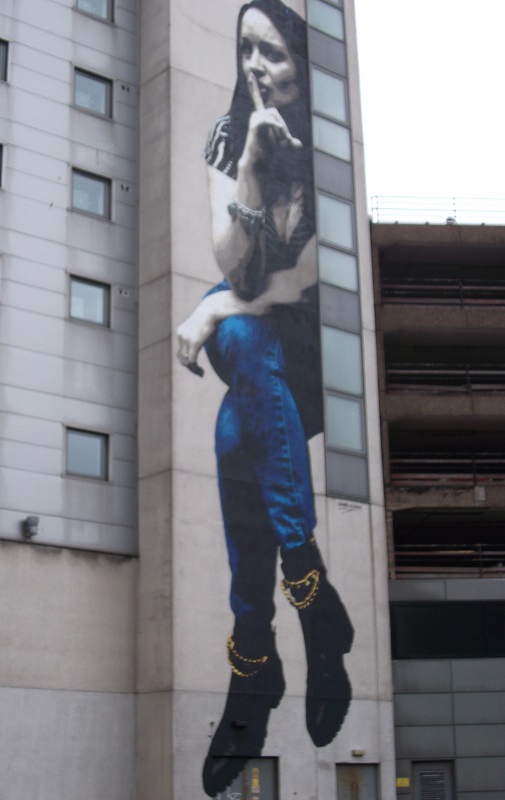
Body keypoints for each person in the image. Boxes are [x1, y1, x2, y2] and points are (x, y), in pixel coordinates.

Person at [176, 1, 354, 795]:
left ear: (303, 68)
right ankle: (312, 600)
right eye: (248, 50)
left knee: (230, 426)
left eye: (274, 55)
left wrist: (213, 305)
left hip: (318, 357)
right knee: (246, 345)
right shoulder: (228, 133)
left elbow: (305, 279)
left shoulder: (331, 153)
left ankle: (255, 658)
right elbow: (235, 258)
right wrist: (248, 163)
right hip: (261, 347)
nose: (256, 67)